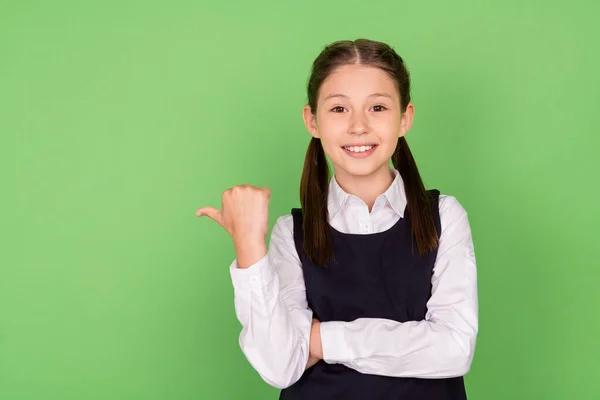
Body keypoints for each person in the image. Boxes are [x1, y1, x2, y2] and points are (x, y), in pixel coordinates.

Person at [197, 38, 478, 399]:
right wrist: (250, 248)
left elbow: (454, 349)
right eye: (339, 109)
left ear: (404, 118)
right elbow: (280, 364)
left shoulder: (445, 216)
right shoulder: (291, 233)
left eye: (377, 107)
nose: (358, 126)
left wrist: (317, 339)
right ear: (312, 120)